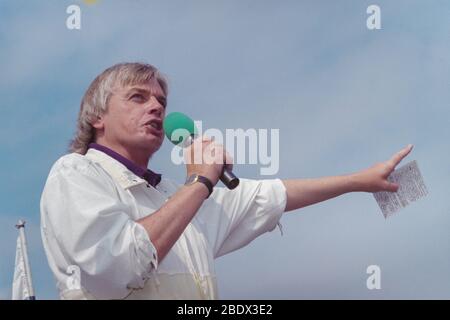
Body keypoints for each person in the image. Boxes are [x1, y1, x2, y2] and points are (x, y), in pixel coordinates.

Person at [40, 62, 413, 300]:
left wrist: (359, 181)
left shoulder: (174, 196)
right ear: (97, 119)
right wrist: (200, 181)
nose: (156, 107)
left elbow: (271, 195)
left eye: (161, 101)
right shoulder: (75, 173)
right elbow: (115, 268)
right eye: (138, 98)